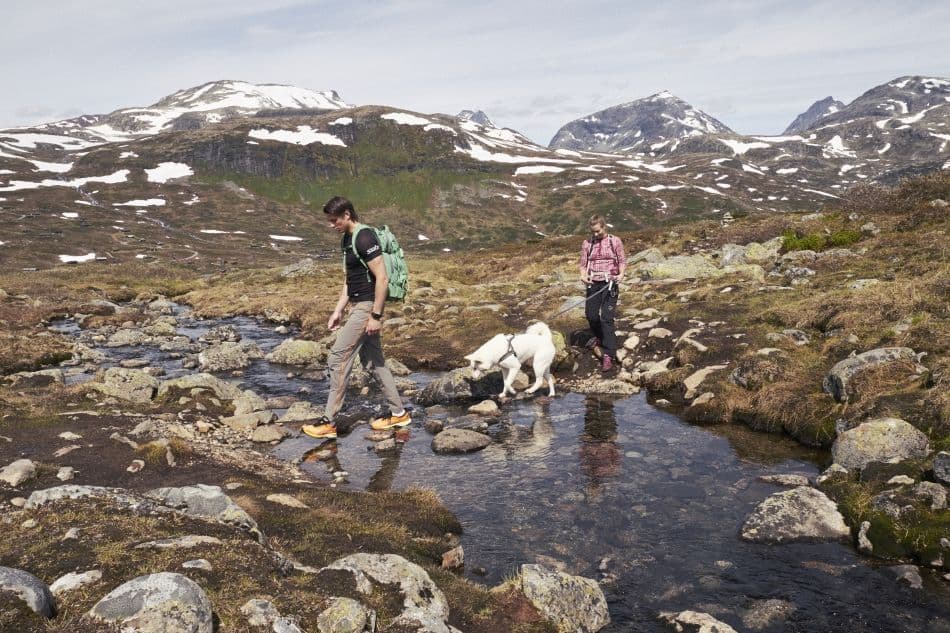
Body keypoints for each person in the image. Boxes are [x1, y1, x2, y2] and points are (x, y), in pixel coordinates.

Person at [301, 196, 410, 439]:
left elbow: (382, 279)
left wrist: (376, 316)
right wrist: (338, 310)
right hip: (358, 305)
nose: (331, 225)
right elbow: (350, 280)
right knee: (373, 362)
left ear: (347, 215)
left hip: (368, 307)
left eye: (334, 220)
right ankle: (399, 413)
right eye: (329, 221)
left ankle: (329, 421)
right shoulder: (347, 240)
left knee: (338, 356)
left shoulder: (364, 237)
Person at [579, 215, 626, 372]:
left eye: (598, 231)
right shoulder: (587, 243)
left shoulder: (615, 241)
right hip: (593, 283)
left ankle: (608, 355)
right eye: (593, 232)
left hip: (610, 283)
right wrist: (583, 275)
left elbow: (622, 261)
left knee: (606, 318)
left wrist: (621, 274)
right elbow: (583, 264)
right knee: (591, 315)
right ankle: (600, 337)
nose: (596, 234)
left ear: (604, 227)